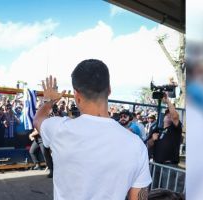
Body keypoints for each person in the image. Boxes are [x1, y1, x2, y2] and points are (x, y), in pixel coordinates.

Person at [34, 59, 151, 200]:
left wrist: (49, 101)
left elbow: (38, 119)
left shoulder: (59, 130)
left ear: (76, 96)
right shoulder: (136, 145)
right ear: (109, 90)